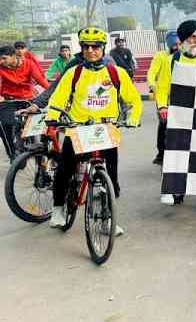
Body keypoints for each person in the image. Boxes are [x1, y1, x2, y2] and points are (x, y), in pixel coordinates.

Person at [45, 27, 142, 234]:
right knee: (64, 170)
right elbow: (57, 98)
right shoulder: (74, 73)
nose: (91, 51)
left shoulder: (116, 73)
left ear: (103, 48)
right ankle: (58, 208)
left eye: (95, 46)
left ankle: (108, 220)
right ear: (81, 48)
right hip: (78, 130)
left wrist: (133, 118)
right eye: (86, 47)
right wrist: (52, 116)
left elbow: (133, 100)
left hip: (107, 130)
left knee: (112, 178)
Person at [157, 20, 196, 212]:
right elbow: (162, 88)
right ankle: (171, 189)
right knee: (177, 153)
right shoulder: (172, 60)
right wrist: (162, 107)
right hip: (181, 114)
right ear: (183, 40)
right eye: (192, 37)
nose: (195, 40)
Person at [0, 44, 50, 159]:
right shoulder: (1, 67)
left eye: (4, 58)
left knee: (45, 123)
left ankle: (44, 154)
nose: (1, 61)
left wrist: (54, 93)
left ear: (13, 56)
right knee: (4, 124)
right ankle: (12, 153)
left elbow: (41, 81)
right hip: (9, 101)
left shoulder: (29, 64)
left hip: (28, 99)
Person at [147, 31, 180, 165]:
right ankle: (161, 153)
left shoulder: (184, 55)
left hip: (181, 95)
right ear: (169, 44)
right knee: (164, 124)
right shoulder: (161, 56)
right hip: (164, 96)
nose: (177, 46)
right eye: (174, 44)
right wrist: (152, 85)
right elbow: (151, 72)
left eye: (179, 43)